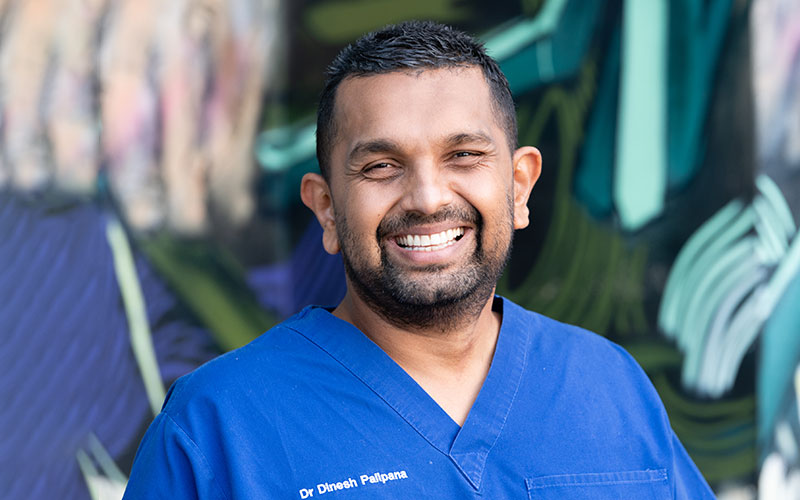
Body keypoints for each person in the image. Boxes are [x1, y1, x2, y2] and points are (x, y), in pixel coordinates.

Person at [123, 21, 716, 499]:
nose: (429, 198)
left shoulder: (608, 387)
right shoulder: (217, 429)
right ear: (326, 208)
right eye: (381, 166)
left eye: (463, 155)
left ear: (519, 186)